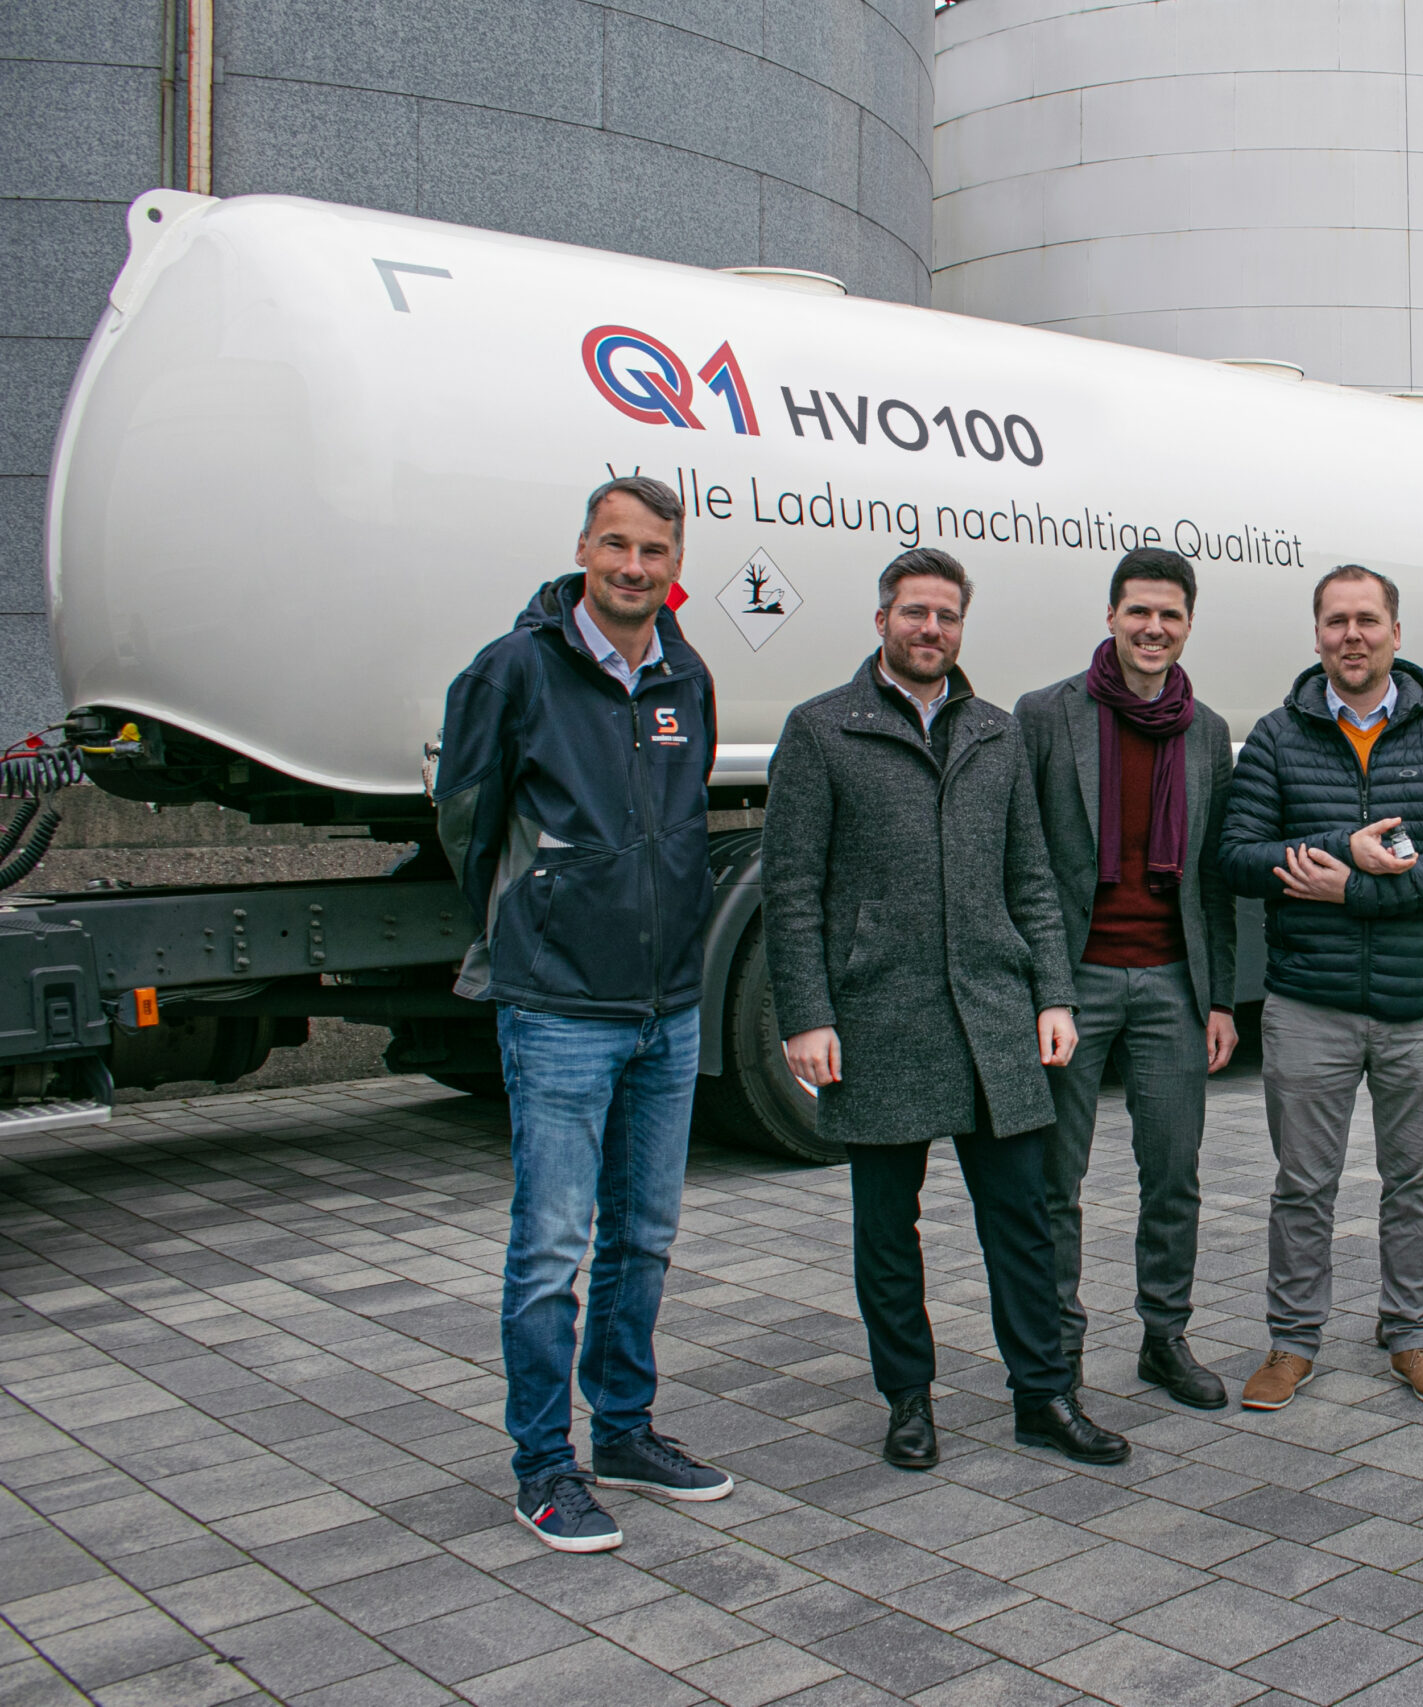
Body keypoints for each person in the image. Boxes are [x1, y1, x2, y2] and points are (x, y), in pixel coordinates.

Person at [762, 547, 1130, 1471]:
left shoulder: (996, 733)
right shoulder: (821, 729)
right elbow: (791, 887)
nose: (931, 629)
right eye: (915, 612)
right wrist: (806, 1013)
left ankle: (1043, 1395)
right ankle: (908, 1400)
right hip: (878, 1016)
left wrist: (1052, 993)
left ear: (962, 627)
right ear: (882, 619)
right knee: (888, 1227)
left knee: (1023, 1220)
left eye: (947, 616)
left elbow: (1032, 878)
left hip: (993, 1015)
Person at [434, 475, 733, 1554]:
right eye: (615, 545)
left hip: (668, 1003)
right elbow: (466, 818)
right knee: (551, 1248)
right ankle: (543, 1466)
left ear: (675, 563)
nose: (633, 566)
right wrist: (533, 916)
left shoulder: (685, 673)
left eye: (653, 550)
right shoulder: (515, 668)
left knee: (644, 1237)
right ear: (583, 549)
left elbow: (685, 811)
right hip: (560, 1004)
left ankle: (624, 1431)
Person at [1220, 564, 1423, 1411]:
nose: (1352, 635)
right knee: (1303, 1184)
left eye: (1367, 619)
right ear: (1317, 635)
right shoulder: (1277, 736)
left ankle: (1413, 1335)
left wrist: (1351, 890)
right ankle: (1291, 1341)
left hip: (1422, 1005)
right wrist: (1344, 845)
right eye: (1336, 620)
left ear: (1396, 633)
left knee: (1418, 1182)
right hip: (1310, 1003)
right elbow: (1237, 855)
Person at [1016, 547, 1238, 1410]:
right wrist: (1043, 988)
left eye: (1170, 614)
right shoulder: (1047, 714)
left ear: (1189, 624)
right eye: (1138, 611)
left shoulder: (1206, 729)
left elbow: (1212, 878)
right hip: (1075, 980)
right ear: (1110, 616)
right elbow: (1024, 861)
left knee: (1173, 1174)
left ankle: (1164, 1337)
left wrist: (1219, 998)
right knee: (1054, 1180)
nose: (1153, 627)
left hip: (1174, 982)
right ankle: (1057, 1347)